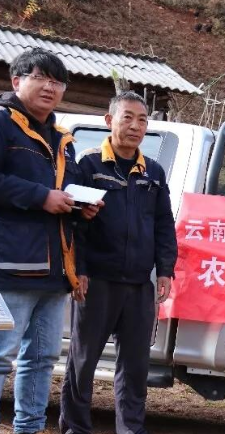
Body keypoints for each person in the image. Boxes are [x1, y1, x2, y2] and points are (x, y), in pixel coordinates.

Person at [59, 91, 178, 434]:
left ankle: (131, 429)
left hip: (139, 284)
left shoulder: (153, 172)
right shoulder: (89, 165)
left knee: (135, 367)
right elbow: (75, 223)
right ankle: (76, 428)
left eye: (142, 120)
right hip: (96, 280)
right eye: (128, 117)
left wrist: (165, 269)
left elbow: (163, 223)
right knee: (83, 361)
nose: (136, 126)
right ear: (110, 121)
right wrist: (79, 270)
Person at [0, 48, 99, 434]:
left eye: (58, 82)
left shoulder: (63, 140)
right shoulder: (4, 124)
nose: (50, 87)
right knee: (2, 356)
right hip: (10, 267)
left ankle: (28, 428)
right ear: (17, 81)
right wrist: (42, 197)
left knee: (42, 359)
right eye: (40, 77)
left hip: (56, 272)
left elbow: (63, 195)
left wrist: (79, 208)